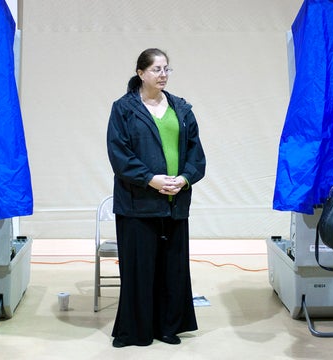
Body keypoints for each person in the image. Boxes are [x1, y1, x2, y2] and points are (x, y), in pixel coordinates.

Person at [106, 48, 206, 348]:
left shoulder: (181, 109)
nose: (162, 75)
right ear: (141, 73)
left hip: (174, 203)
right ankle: (134, 331)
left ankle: (168, 326)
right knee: (139, 269)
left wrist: (185, 178)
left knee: (171, 270)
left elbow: (196, 155)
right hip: (137, 204)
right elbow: (119, 154)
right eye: (156, 69)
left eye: (166, 69)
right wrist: (151, 179)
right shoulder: (124, 108)